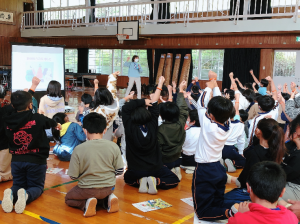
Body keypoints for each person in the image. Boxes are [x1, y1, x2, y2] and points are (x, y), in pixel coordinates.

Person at [1, 90, 61, 214]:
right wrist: (57, 125)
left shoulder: (7, 121)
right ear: (30, 105)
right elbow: (51, 122)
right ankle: (26, 195)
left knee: (18, 184)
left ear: (13, 106)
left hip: (17, 160)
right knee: (36, 187)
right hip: (36, 160)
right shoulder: (37, 118)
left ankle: (11, 193)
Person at [122, 76, 179, 195]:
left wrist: (142, 101)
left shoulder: (130, 126)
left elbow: (126, 108)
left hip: (136, 170)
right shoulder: (152, 125)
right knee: (174, 179)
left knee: (127, 178)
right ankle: (156, 181)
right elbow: (154, 105)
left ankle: (141, 181)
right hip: (155, 169)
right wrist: (160, 84)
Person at [193, 75, 236, 221]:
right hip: (218, 167)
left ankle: (231, 212)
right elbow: (223, 105)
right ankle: (223, 210)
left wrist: (209, 87)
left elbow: (200, 104)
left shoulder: (208, 125)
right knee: (217, 199)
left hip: (205, 169)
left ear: (211, 115)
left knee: (202, 212)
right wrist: (215, 85)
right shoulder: (227, 125)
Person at [65, 113, 124, 217]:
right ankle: (107, 200)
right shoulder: (113, 146)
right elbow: (120, 171)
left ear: (84, 130)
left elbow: (73, 176)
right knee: (103, 192)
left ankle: (86, 204)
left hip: (87, 190)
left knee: (68, 198)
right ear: (105, 130)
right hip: (109, 188)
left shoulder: (78, 149)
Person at [225, 118, 286, 205]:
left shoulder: (254, 153)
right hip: (270, 191)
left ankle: (229, 179)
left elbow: (244, 180)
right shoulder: (278, 150)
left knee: (220, 200)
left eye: (257, 127)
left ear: (259, 131)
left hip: (253, 192)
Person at [227, 161, 298, 224]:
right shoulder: (292, 217)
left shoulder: (238, 220)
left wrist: (240, 215)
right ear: (282, 192)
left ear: (248, 188)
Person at [0, 77, 40, 183]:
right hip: (4, 148)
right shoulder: (5, 111)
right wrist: (33, 86)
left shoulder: (5, 110)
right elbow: (21, 103)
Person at [158, 80, 188, 180]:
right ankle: (176, 167)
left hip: (165, 159)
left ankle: (170, 170)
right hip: (178, 156)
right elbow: (183, 108)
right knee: (175, 161)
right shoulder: (180, 123)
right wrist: (180, 90)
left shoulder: (160, 129)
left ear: (161, 116)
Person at [245, 76, 279, 157]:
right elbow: (274, 93)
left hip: (259, 145)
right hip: (272, 143)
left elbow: (251, 133)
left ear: (259, 106)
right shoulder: (275, 110)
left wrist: (249, 146)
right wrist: (271, 81)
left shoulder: (257, 119)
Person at [89, 72, 120, 141]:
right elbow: (112, 87)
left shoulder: (100, 110)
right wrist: (113, 76)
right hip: (109, 126)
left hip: (100, 131)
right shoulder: (115, 101)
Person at [222, 91, 246, 172]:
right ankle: (232, 162)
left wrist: (226, 99)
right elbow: (241, 140)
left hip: (219, 147)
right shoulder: (240, 125)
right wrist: (241, 152)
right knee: (243, 161)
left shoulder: (222, 123)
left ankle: (220, 162)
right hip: (230, 149)